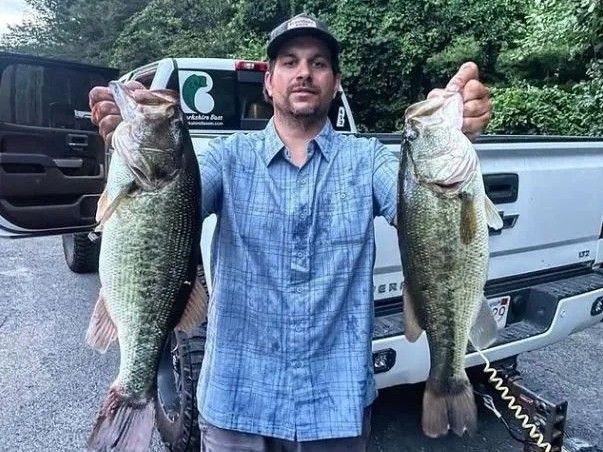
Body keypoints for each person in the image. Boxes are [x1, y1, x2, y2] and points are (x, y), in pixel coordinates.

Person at [89, 13, 491, 452]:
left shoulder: (369, 160)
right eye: (289, 61)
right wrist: (133, 143)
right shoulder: (226, 157)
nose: (304, 73)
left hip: (335, 409)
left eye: (318, 63)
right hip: (235, 404)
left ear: (335, 83)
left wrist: (453, 134)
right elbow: (168, 208)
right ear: (269, 81)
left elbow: (424, 213)